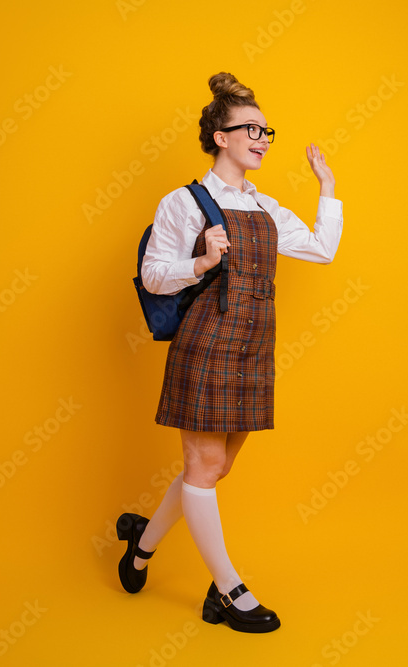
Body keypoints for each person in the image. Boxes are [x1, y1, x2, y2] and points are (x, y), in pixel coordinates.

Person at [116, 71, 343, 634]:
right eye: (251, 129)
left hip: (252, 349)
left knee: (215, 468)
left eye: (267, 130)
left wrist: (328, 192)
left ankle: (140, 545)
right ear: (220, 136)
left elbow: (320, 251)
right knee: (203, 466)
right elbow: (153, 275)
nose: (263, 138)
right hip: (205, 343)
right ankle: (228, 592)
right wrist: (201, 263)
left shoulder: (265, 207)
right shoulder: (184, 202)